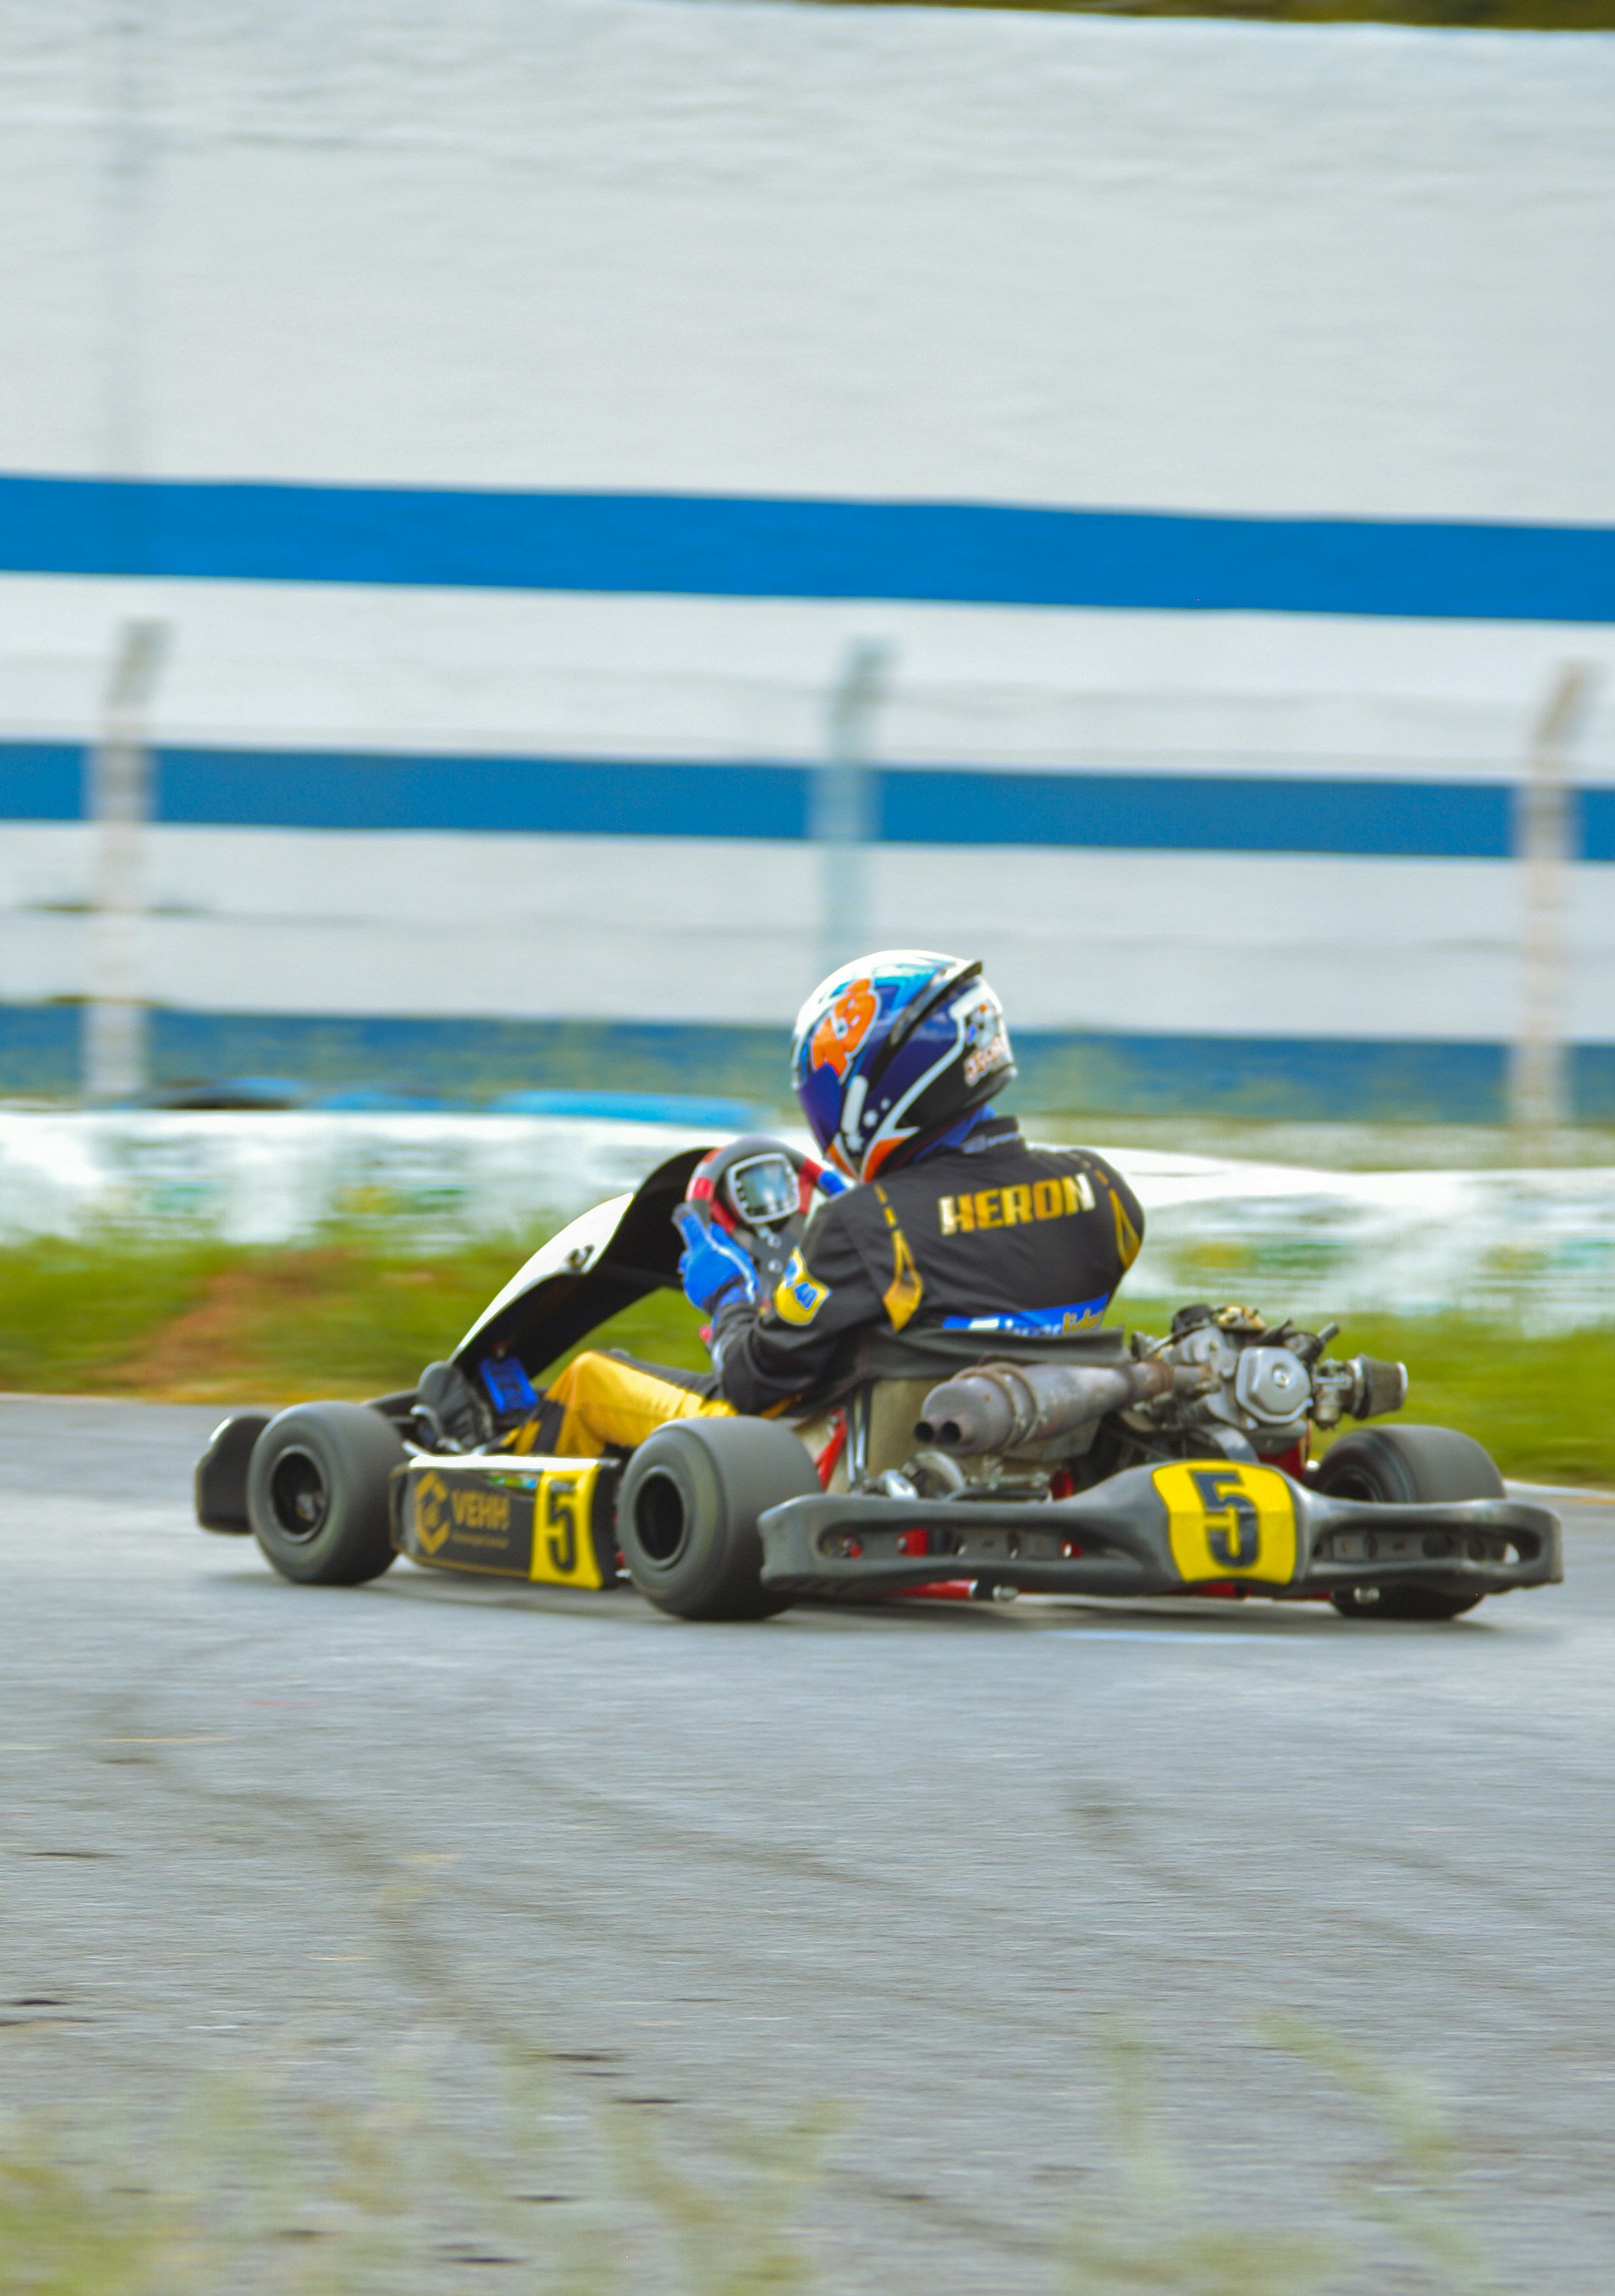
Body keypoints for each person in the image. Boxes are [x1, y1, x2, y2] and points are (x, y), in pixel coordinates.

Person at [525, 949, 1145, 1459]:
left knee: (590, 1380)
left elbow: (752, 1384)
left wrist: (729, 1298)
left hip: (850, 1460)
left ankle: (491, 1472)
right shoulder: (1103, 1191)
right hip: (1036, 1444)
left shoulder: (867, 1223)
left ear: (879, 1088)